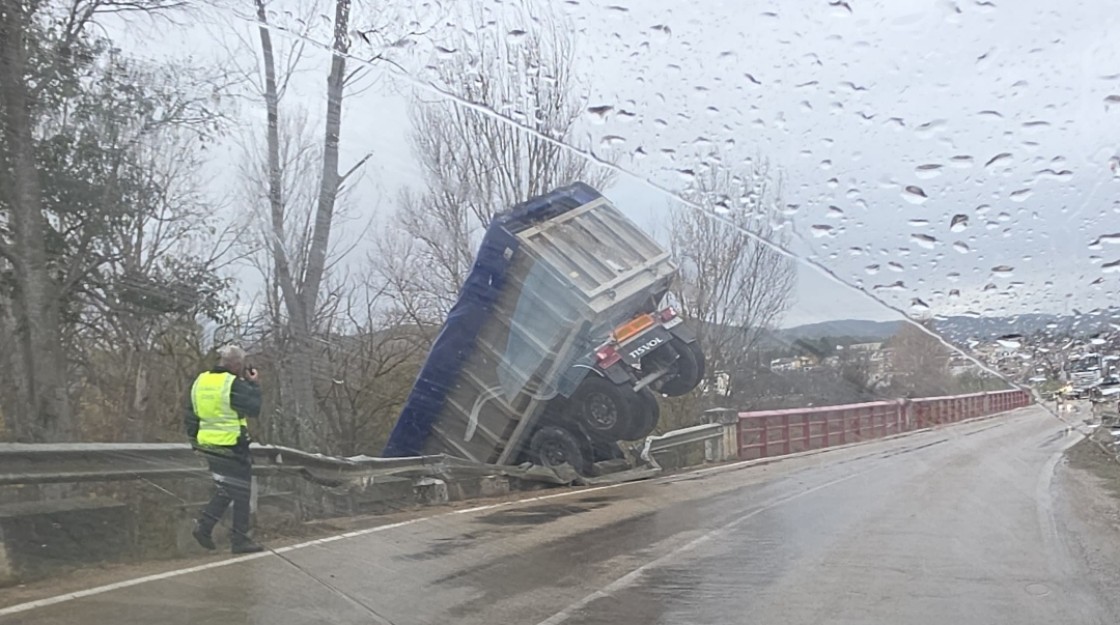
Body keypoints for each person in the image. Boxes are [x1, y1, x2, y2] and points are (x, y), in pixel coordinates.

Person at [184, 344, 265, 554]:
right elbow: (253, 408)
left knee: (228, 489)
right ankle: (238, 539)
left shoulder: (200, 381)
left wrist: (195, 442)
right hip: (232, 445)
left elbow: (190, 414)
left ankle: (205, 527)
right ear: (237, 364)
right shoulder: (232, 384)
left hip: (209, 445)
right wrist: (254, 385)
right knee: (240, 491)